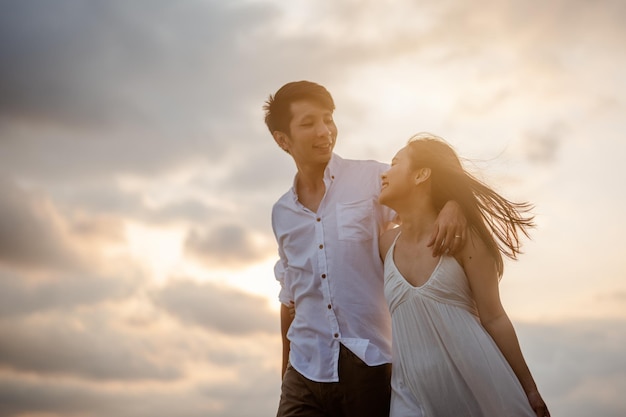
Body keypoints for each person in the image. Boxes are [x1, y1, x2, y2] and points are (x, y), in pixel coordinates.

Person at [263, 81, 467, 417]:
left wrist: (453, 204)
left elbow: (426, 189)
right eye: (309, 123)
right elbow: (289, 298)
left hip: (370, 361)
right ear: (283, 140)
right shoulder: (281, 213)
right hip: (304, 369)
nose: (324, 131)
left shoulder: (371, 178)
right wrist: (286, 370)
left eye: (328, 119)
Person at [378, 132, 550, 417]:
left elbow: (494, 317)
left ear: (421, 174)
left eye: (395, 164)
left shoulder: (464, 238)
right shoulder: (385, 245)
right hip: (410, 394)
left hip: (479, 389)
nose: (384, 174)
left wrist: (530, 389)